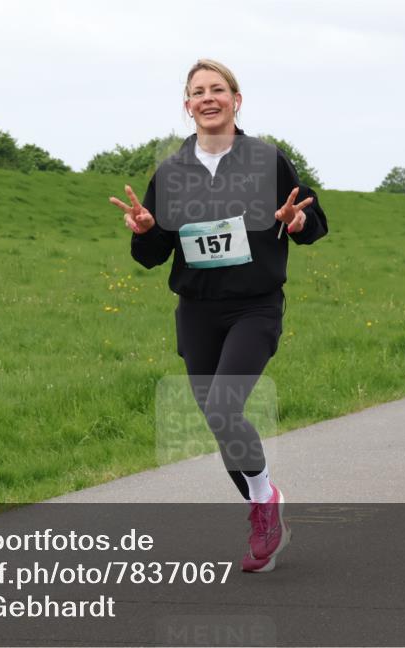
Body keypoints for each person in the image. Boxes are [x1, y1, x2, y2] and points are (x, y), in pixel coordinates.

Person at [109, 59, 327, 573]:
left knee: (225, 406)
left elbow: (314, 220)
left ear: (236, 99)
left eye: (218, 89)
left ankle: (264, 505)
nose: (208, 98)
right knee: (217, 418)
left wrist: (297, 220)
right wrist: (144, 230)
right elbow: (153, 254)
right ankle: (262, 503)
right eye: (198, 92)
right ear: (187, 106)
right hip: (197, 311)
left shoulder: (267, 160)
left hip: (254, 306)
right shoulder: (172, 172)